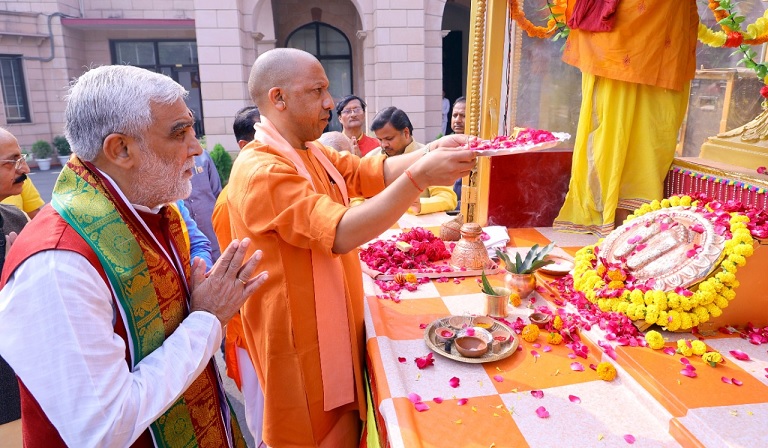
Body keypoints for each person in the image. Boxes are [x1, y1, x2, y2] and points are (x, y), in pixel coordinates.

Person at [0, 65, 269, 447]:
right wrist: (207, 320)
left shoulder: (154, 209)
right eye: (180, 133)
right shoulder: (58, 263)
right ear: (121, 149)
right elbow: (106, 428)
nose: (197, 148)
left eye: (193, 130)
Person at [227, 48, 475, 447]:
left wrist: (432, 150)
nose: (330, 102)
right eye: (317, 91)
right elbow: (340, 230)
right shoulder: (263, 170)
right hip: (299, 343)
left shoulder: (312, 152)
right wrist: (418, 178)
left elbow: (365, 173)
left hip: (333, 324)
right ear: (278, 98)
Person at [553, 1, 698, 236]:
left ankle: (635, 215)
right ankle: (607, 212)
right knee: (611, 122)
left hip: (665, 26)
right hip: (619, 30)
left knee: (656, 121)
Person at [212, 105, 265, 445]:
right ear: (247, 148)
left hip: (275, 325)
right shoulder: (233, 199)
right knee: (267, 425)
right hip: (254, 326)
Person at [365, 106, 458, 215]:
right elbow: (356, 198)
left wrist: (420, 204)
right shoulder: (371, 158)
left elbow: (447, 198)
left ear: (406, 132)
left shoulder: (430, 156)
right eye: (380, 140)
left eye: (389, 139)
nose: (383, 145)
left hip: (418, 227)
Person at [0, 128, 32, 428]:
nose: (25, 168)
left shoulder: (16, 219)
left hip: (25, 378)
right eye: (12, 162)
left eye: (22, 158)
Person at [182, 150, 222, 261]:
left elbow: (217, 192)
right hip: (188, 235)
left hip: (212, 228)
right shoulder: (166, 161)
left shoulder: (202, 156)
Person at [450, 97, 467, 210]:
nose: (457, 120)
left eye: (463, 116)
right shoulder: (444, 145)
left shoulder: (479, 148)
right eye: (455, 115)